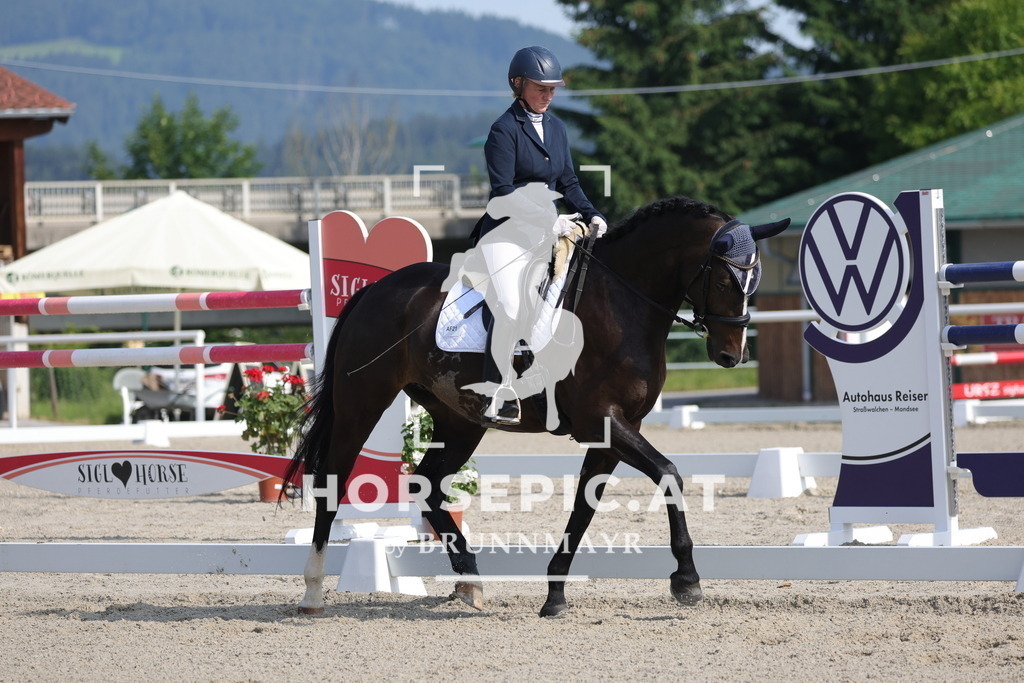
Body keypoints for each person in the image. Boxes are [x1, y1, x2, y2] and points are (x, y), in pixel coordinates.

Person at [469, 45, 608, 427]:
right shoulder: (503, 130)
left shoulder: (557, 128)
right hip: (506, 234)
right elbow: (503, 192)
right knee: (512, 305)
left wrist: (595, 214)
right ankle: (498, 390)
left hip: (551, 230)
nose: (548, 95)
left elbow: (569, 182)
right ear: (518, 85)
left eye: (553, 88)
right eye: (540, 88)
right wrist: (550, 223)